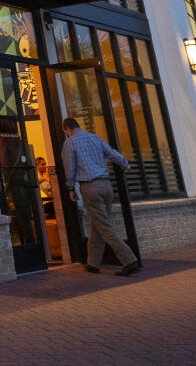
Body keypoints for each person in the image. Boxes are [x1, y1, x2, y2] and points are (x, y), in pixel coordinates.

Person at [60, 117, 140, 276]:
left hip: (90, 188)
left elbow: (70, 168)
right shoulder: (95, 138)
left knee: (104, 226)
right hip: (106, 186)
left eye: (66, 132)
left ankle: (129, 260)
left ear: (67, 130)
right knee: (97, 225)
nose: (67, 134)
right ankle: (93, 263)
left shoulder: (70, 143)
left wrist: (71, 188)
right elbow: (112, 154)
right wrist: (125, 164)